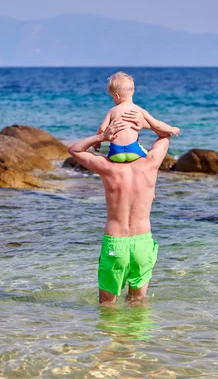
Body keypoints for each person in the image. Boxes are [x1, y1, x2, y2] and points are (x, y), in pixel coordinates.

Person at [67, 111, 172, 304]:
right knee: (138, 303)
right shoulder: (151, 163)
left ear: (112, 143)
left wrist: (100, 137)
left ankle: (114, 335)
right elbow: (166, 134)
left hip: (116, 242)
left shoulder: (107, 167)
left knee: (107, 305)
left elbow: (74, 150)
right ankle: (137, 334)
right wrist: (147, 123)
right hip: (142, 242)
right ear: (138, 140)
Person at [94, 72, 180, 162]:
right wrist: (171, 129)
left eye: (112, 97)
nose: (113, 100)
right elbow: (157, 124)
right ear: (133, 92)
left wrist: (97, 141)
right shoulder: (139, 110)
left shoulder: (112, 111)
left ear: (117, 96)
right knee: (148, 157)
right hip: (134, 151)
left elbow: (102, 129)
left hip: (116, 153)